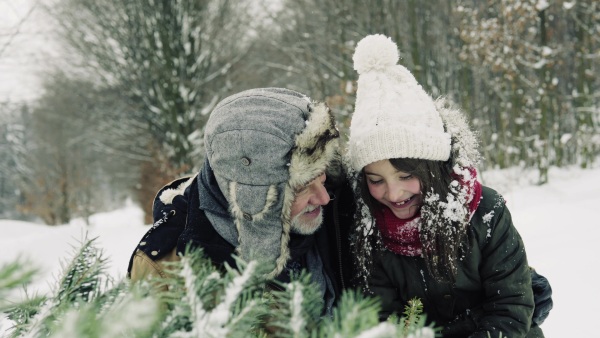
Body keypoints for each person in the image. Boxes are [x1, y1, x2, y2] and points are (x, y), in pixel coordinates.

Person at [346, 34, 549, 337]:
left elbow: (510, 307)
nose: (393, 193)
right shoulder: (369, 233)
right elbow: (383, 322)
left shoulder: (486, 212)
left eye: (405, 176)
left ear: (433, 170)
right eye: (376, 180)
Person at [127, 88, 355, 316]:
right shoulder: (164, 273)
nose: (324, 198)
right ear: (253, 193)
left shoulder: (342, 214)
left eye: (321, 176)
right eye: (303, 187)